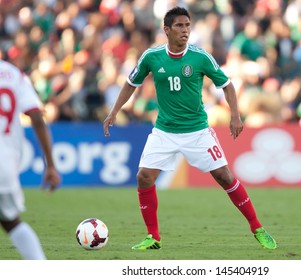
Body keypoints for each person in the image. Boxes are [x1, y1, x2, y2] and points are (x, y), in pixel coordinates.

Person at [103, 6, 277, 251]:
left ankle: (257, 227)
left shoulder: (200, 57)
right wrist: (114, 112)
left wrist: (235, 116)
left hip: (197, 132)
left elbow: (227, 85)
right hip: (164, 131)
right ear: (167, 30)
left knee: (225, 177)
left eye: (187, 25)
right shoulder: (151, 57)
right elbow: (131, 83)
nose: (185, 31)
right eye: (179, 26)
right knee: (143, 177)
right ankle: (153, 237)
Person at [0, 59, 61, 259]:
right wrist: (50, 165)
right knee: (11, 222)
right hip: (5, 166)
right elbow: (36, 117)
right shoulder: (14, 74)